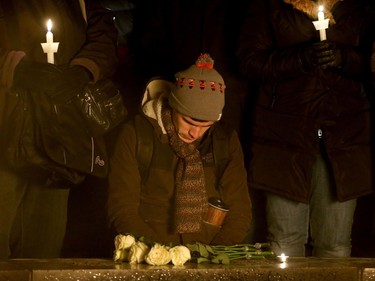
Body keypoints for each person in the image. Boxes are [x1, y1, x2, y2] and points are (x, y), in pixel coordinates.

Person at [237, 0, 375, 257]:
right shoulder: (271, 7)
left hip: (343, 136)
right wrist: (301, 58)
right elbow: (249, 61)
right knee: (285, 242)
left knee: (334, 244)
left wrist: (343, 58)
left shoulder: (359, 7)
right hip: (284, 136)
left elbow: (371, 62)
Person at [0, 0, 118, 258]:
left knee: (43, 247)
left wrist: (83, 69)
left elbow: (103, 32)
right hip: (6, 126)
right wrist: (12, 68)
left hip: (59, 139)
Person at [107, 53, 252, 245]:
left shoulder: (223, 141)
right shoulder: (137, 135)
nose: (195, 133)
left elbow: (239, 211)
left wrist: (213, 258)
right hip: (149, 254)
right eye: (188, 122)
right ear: (174, 106)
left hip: (207, 256)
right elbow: (121, 208)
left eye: (206, 126)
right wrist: (159, 255)